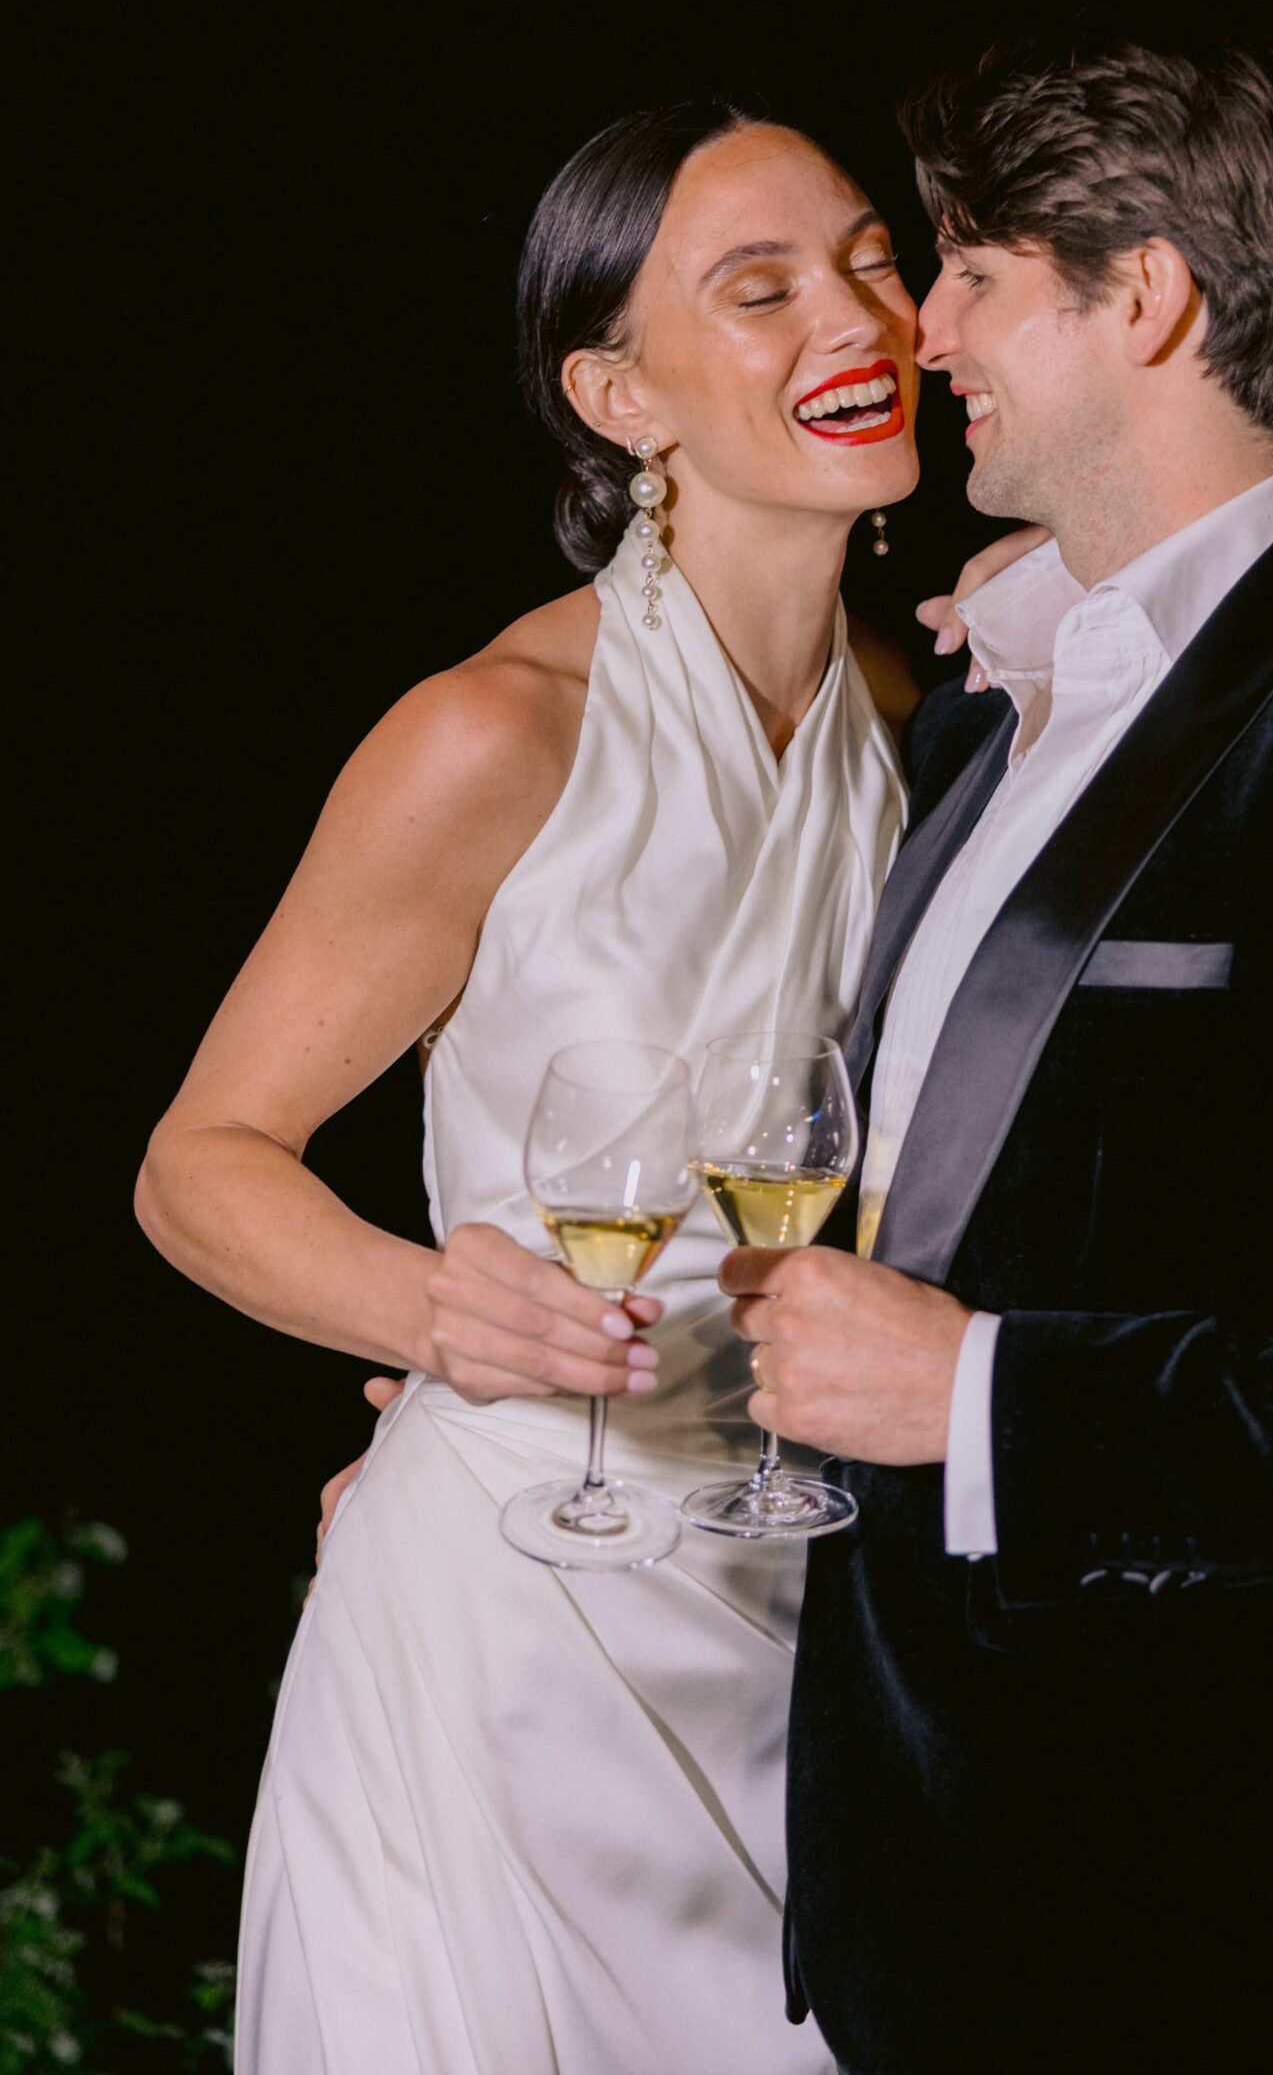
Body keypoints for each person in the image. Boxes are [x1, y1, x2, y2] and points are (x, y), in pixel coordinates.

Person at [723, 39, 1273, 2072]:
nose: (911, 327)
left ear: (1143, 296)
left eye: (964, 270)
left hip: (1198, 1909)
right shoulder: (983, 711)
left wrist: (979, 1385)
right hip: (913, 1881)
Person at [136, 103, 923, 2075]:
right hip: (504, 1623)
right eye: (757, 291)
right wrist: (428, 1312)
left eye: (870, 259)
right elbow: (195, 1165)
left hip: (807, 1622)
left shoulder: (928, 721)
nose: (851, 315)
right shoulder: (494, 733)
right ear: (618, 393)